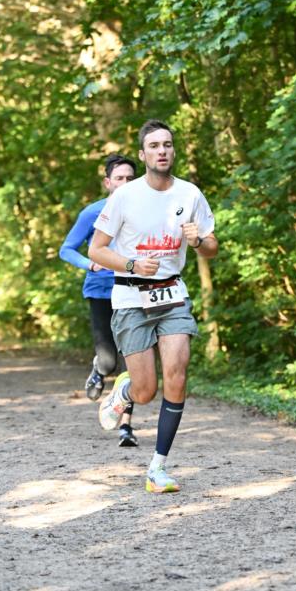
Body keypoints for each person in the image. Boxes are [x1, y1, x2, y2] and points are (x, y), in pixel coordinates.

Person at [88, 119, 218, 493]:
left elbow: (212, 247)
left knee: (177, 375)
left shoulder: (190, 195)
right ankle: (125, 392)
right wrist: (130, 264)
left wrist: (197, 242)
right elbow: (96, 250)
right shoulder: (124, 197)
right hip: (131, 296)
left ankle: (157, 468)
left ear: (173, 151)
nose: (162, 150)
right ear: (144, 154)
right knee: (146, 391)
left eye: (168, 144)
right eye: (154, 146)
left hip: (173, 293)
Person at [59, 153, 139, 448]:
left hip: (134, 291)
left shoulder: (145, 212)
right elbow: (66, 249)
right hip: (101, 291)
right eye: (119, 178)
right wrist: (89, 264)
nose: (125, 183)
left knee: (132, 359)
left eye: (131, 178)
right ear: (108, 182)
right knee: (109, 360)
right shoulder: (92, 213)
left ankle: (126, 427)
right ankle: (99, 369)